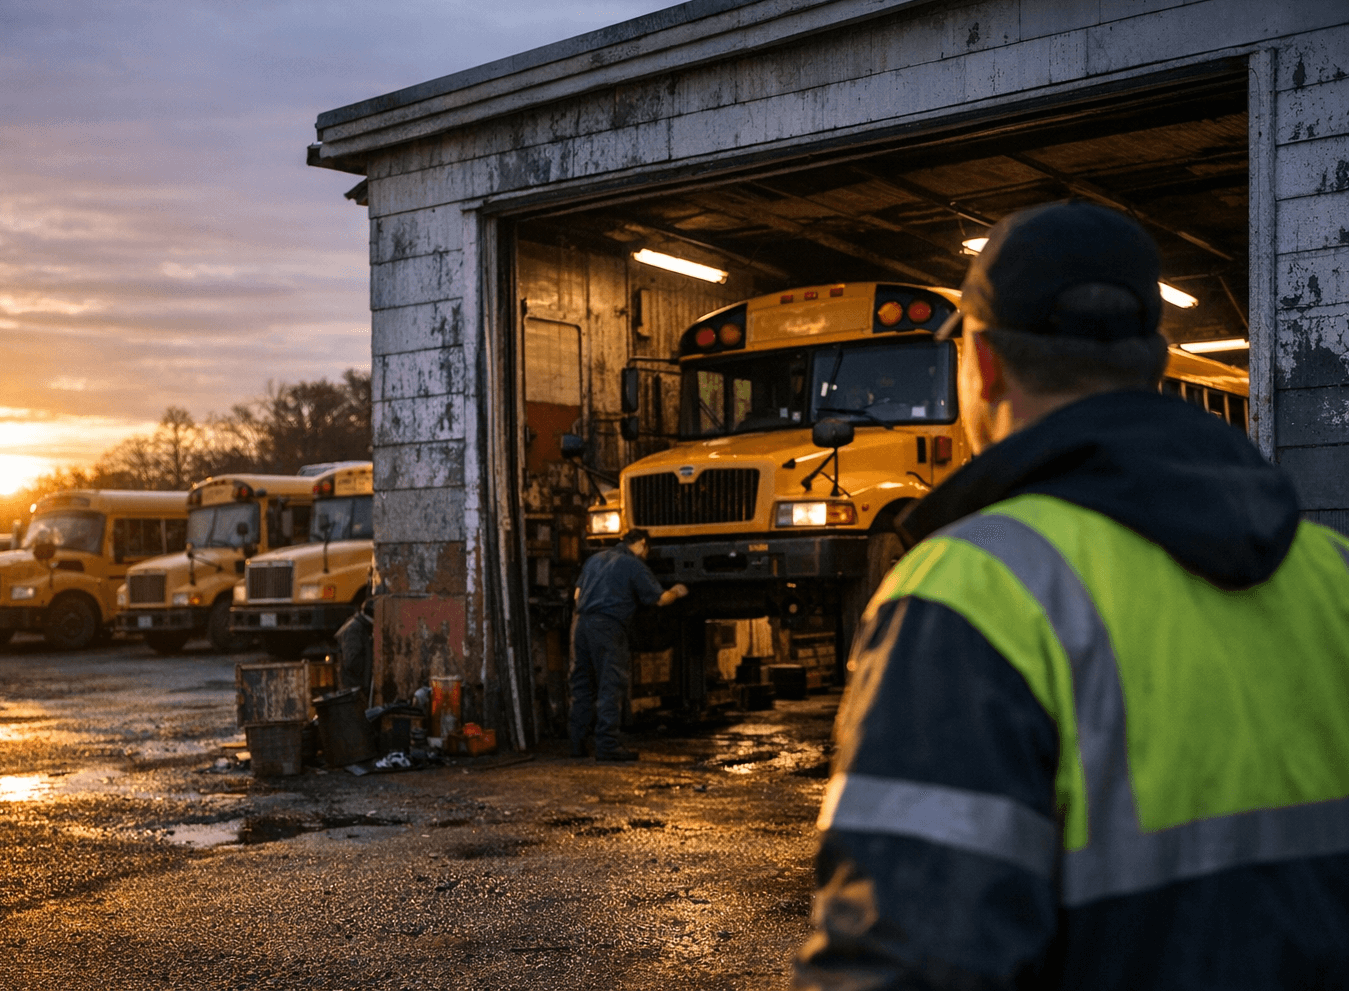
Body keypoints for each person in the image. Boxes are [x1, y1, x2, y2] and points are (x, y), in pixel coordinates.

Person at [795, 201, 1349, 989]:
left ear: (982, 365)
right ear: (1151, 362)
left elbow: (903, 957)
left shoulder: (972, 592)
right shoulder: (1330, 573)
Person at [570, 528, 688, 761]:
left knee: (581, 685)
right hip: (609, 627)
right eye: (647, 550)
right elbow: (660, 600)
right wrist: (678, 590)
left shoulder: (594, 559)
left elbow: (576, 595)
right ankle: (607, 746)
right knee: (610, 685)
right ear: (643, 544)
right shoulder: (633, 564)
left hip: (581, 625)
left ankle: (577, 745)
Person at [333, 595, 374, 695]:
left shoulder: (358, 627)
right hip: (354, 689)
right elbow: (352, 662)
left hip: (356, 688)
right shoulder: (354, 630)